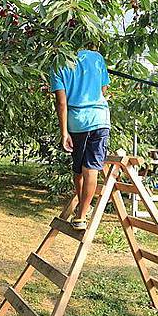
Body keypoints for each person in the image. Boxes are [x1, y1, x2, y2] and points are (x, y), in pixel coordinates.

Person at [50, 48, 111, 230]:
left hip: (77, 123)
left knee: (78, 171)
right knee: (89, 169)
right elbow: (103, 88)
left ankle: (82, 212)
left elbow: (61, 103)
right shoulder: (97, 57)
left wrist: (64, 133)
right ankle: (82, 214)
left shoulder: (58, 63)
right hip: (99, 119)